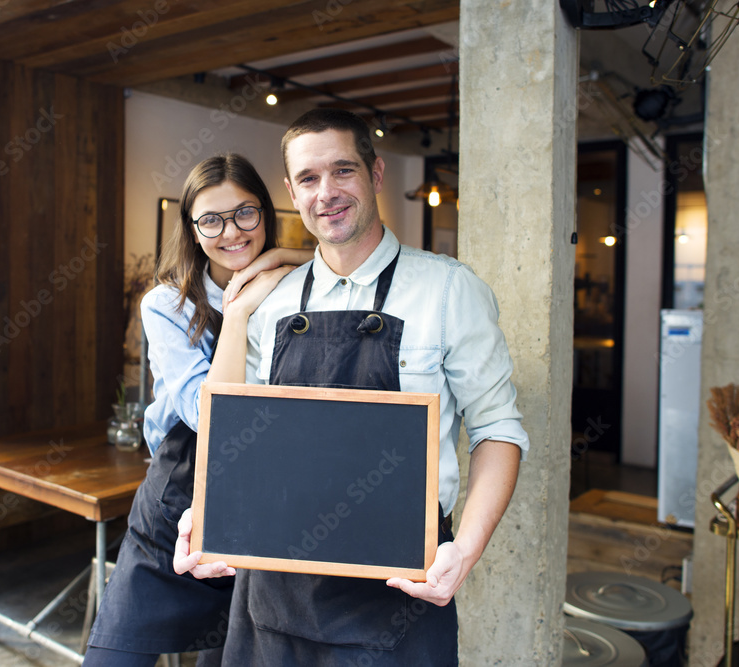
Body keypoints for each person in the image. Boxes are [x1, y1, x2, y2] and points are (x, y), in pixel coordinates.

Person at [174, 109, 529, 665]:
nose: (327, 193)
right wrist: (208, 512)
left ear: (376, 173)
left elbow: (497, 428)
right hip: (275, 589)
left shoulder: (448, 291)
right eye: (309, 179)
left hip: (399, 591)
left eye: (343, 171)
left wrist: (467, 550)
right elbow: (237, 433)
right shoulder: (273, 301)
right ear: (292, 190)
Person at [83, 154, 311, 666]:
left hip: (259, 498)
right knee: (113, 654)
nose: (230, 231)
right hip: (179, 488)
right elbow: (207, 415)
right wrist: (239, 308)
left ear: (266, 214)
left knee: (231, 652)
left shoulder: (294, 290)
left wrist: (278, 263)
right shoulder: (167, 304)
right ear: (191, 228)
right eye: (211, 219)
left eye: (244, 214)